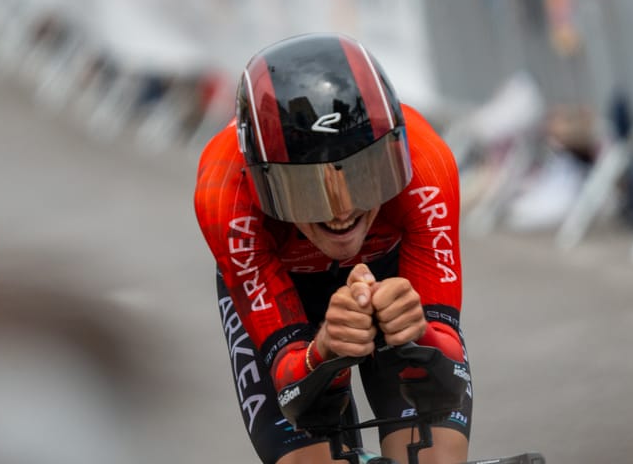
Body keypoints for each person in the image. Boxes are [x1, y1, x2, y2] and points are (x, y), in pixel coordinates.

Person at [194, 32, 471, 464]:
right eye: (306, 189)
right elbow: (293, 391)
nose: (342, 212)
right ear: (264, 184)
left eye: (364, 174)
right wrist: (323, 351)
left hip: (389, 267)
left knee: (437, 458)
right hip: (285, 286)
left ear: (394, 155)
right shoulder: (225, 194)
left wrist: (419, 332)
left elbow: (444, 377)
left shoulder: (428, 164)